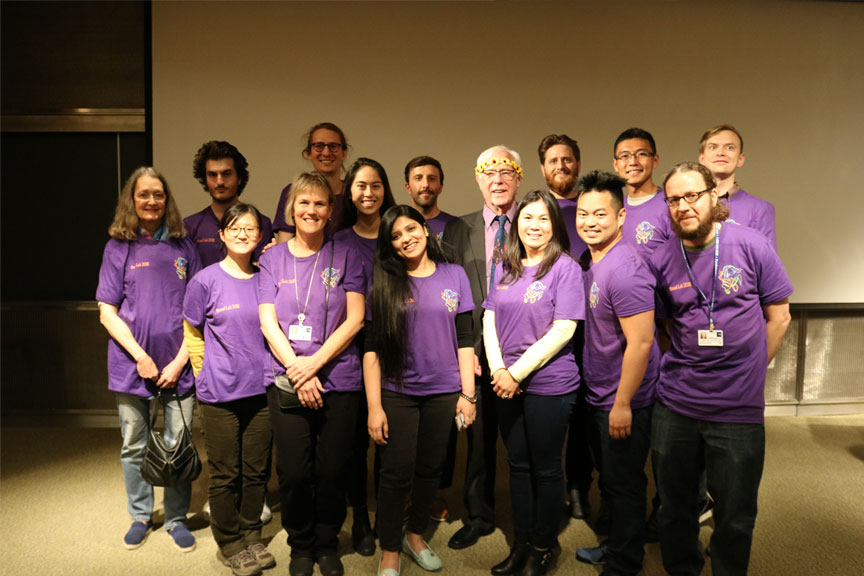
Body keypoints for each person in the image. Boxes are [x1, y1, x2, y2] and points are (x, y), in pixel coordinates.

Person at [649, 162, 793, 576]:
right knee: (674, 511)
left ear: (714, 196)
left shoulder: (750, 245)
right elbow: (662, 328)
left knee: (734, 514)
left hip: (737, 411)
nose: (683, 206)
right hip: (676, 405)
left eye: (692, 195)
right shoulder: (662, 258)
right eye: (674, 199)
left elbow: (779, 316)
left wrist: (752, 367)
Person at [258, 172, 367, 576]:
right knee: (294, 470)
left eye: (320, 204)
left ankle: (326, 543)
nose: (311, 210)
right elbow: (269, 323)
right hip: (288, 376)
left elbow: (355, 318)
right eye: (304, 203)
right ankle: (300, 543)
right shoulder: (270, 259)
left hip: (339, 378)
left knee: (333, 467)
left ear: (331, 210)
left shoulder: (347, 256)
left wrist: (314, 363)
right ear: (292, 208)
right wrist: (298, 371)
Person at [364, 205, 477, 576]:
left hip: (444, 391)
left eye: (410, 229)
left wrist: (468, 393)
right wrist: (374, 407)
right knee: (395, 473)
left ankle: (415, 536)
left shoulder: (455, 275)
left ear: (426, 230)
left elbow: (464, 340)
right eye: (395, 236)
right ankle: (391, 550)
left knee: (431, 470)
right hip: (398, 392)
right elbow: (372, 350)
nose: (405, 239)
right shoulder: (384, 280)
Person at [96, 166, 201, 552]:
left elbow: (197, 312)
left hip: (179, 365)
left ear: (166, 199)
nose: (152, 201)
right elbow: (107, 311)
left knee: (178, 444)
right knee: (134, 444)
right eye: (144, 194)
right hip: (131, 367)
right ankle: (140, 514)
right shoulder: (117, 246)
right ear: (132, 200)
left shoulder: (184, 246)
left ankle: (174, 518)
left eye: (158, 194)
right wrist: (141, 357)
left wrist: (177, 362)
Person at [483, 189, 584, 576]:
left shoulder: (565, 268)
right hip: (505, 383)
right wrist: (497, 370)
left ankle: (544, 545)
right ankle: (522, 541)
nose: (534, 225)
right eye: (527, 218)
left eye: (543, 218)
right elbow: (489, 319)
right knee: (518, 465)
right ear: (517, 224)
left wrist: (515, 373)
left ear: (554, 225)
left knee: (545, 467)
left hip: (549, 385)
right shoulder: (507, 265)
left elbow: (563, 330)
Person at [574, 171, 660, 575]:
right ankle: (617, 548)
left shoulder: (626, 268)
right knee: (612, 480)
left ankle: (625, 563)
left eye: (600, 214)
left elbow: (641, 343)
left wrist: (623, 403)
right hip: (599, 391)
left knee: (625, 484)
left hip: (623, 398)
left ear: (621, 216)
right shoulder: (592, 261)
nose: (590, 221)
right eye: (583, 213)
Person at [183, 203, 275, 576]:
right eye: (234, 228)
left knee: (256, 471)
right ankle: (230, 541)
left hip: (262, 391)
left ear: (260, 236)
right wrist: (203, 374)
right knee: (225, 473)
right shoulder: (204, 280)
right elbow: (192, 332)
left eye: (250, 228)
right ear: (221, 235)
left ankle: (251, 533)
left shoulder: (267, 278)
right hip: (219, 393)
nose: (242, 234)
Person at [442, 145, 523, 550]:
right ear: (477, 180)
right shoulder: (459, 228)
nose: (497, 181)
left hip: (522, 351)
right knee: (478, 440)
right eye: (488, 174)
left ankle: (529, 517)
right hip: (474, 351)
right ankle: (479, 516)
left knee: (522, 438)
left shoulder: (533, 223)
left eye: (506, 173)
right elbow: (453, 292)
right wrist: (465, 347)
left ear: (519, 179)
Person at [334, 157, 397, 556]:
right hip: (351, 353)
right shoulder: (337, 241)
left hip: (395, 349)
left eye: (375, 185)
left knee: (390, 441)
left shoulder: (400, 234)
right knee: (355, 444)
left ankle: (387, 516)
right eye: (360, 186)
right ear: (350, 192)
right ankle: (359, 516)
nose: (368, 193)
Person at [537, 133, 591, 520]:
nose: (561, 166)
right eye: (553, 160)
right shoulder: (535, 212)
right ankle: (547, 484)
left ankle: (578, 487)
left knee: (585, 415)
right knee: (549, 411)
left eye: (568, 159)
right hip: (543, 324)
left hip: (590, 325)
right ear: (543, 168)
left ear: (578, 164)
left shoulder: (589, 208)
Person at [186, 140, 274, 266]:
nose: (220, 181)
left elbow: (263, 272)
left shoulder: (261, 223)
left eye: (226, 174)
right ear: (204, 178)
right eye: (212, 175)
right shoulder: (190, 226)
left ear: (239, 178)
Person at [699, 124, 777, 250]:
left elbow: (766, 264)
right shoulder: (684, 204)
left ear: (740, 159)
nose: (720, 153)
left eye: (729, 147)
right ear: (702, 158)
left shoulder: (759, 209)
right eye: (713, 147)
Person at [273, 122, 350, 242]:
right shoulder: (292, 192)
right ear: (309, 153)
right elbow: (284, 245)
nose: (326, 152)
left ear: (344, 153)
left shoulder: (353, 194)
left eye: (333, 146)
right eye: (319, 146)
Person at [612, 128, 672, 256]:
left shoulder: (670, 205)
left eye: (641, 154)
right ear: (615, 164)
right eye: (625, 156)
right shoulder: (615, 209)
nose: (633, 162)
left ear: (655, 160)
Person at [403, 156, 455, 240]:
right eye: (418, 178)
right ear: (408, 188)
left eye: (432, 179)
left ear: (440, 187)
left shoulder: (457, 226)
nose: (425, 184)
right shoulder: (396, 227)